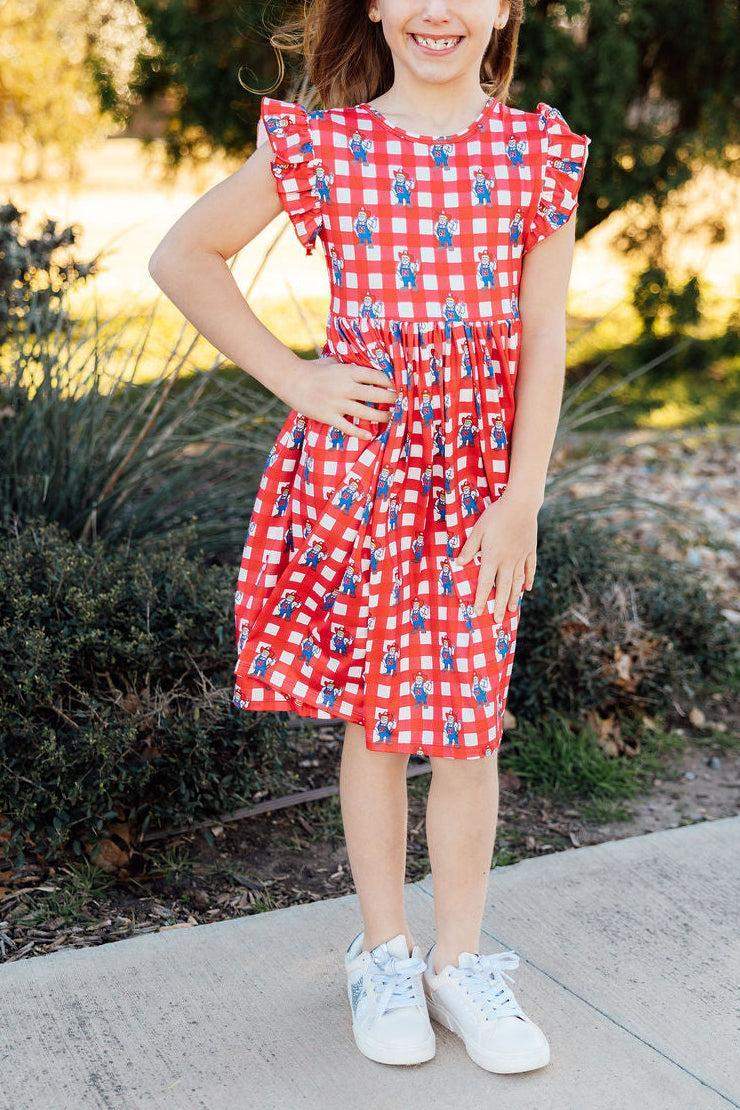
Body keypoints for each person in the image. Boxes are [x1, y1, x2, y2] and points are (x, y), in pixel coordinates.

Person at [149, 0, 591, 1077]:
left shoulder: (536, 152)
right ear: (378, 8)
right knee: (381, 718)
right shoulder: (328, 146)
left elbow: (544, 332)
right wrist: (295, 377)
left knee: (470, 725)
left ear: (502, 9)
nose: (439, 11)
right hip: (367, 472)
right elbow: (184, 256)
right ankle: (384, 955)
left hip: (482, 483)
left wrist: (522, 497)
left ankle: (460, 963)